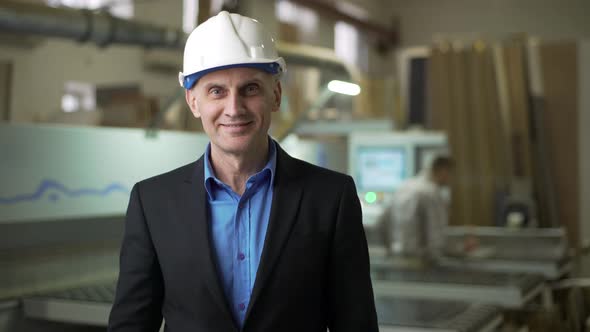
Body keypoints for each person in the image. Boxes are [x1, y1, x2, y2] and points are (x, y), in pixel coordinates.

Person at [107, 11, 378, 332]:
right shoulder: (152, 202)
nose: (234, 109)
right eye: (216, 91)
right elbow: (132, 325)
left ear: (275, 95)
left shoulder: (330, 197)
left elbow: (356, 324)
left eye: (250, 89)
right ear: (193, 102)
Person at [386, 155, 453, 260]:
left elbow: (381, 222)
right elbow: (435, 236)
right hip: (422, 260)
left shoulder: (404, 186)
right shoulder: (431, 192)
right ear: (443, 170)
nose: (451, 180)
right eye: (450, 174)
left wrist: (389, 249)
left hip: (398, 257)